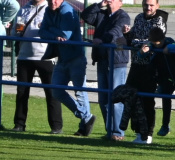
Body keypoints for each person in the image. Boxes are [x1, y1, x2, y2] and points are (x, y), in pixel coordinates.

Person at [40, 0, 96, 137]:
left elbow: (65, 35)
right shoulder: (48, 10)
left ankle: (84, 125)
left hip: (76, 57)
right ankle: (87, 117)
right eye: (49, 0)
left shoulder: (67, 10)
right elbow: (42, 31)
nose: (52, 2)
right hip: (62, 58)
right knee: (57, 90)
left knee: (80, 92)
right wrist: (54, 34)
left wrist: (50, 29)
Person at [11, 0, 63, 134]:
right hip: (24, 56)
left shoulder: (50, 8)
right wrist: (16, 30)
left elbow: (58, 31)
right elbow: (14, 33)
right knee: (22, 92)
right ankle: (19, 124)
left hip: (45, 56)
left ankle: (56, 126)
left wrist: (45, 28)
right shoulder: (24, 8)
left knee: (51, 92)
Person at [81, 0, 130, 141]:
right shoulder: (101, 14)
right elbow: (85, 15)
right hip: (102, 60)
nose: (110, 2)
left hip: (116, 62)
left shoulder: (123, 16)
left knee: (116, 98)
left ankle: (119, 133)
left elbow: (115, 32)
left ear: (120, 3)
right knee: (103, 99)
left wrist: (101, 39)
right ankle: (110, 132)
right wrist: (99, 5)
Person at [124, 0, 168, 144]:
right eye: (146, 4)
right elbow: (134, 40)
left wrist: (136, 42)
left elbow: (152, 41)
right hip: (136, 64)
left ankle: (148, 134)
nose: (148, 8)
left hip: (150, 66)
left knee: (147, 101)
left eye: (151, 5)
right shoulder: (138, 18)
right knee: (131, 98)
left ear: (157, 5)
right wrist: (127, 34)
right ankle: (138, 132)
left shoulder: (159, 21)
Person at [148, 26, 175, 137]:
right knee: (147, 96)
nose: (157, 45)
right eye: (154, 43)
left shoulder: (169, 42)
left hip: (171, 76)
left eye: (159, 43)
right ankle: (147, 125)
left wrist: (170, 47)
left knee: (166, 97)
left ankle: (165, 125)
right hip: (158, 75)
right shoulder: (151, 44)